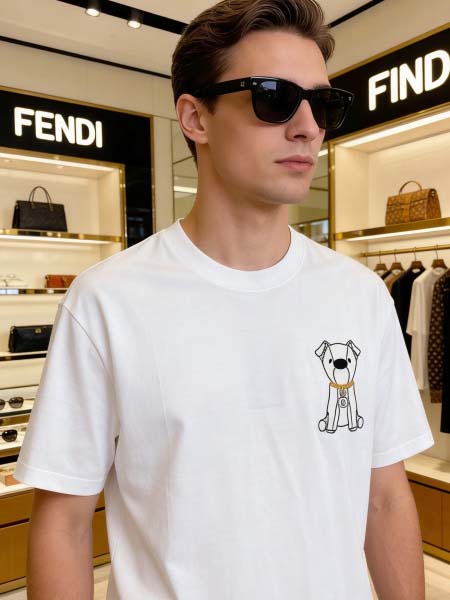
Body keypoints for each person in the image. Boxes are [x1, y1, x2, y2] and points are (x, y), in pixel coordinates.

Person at [16, 1, 433, 598]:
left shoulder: (360, 296)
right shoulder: (108, 301)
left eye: (322, 104)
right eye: (274, 98)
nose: (308, 127)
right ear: (196, 118)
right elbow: (64, 522)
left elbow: (385, 497)